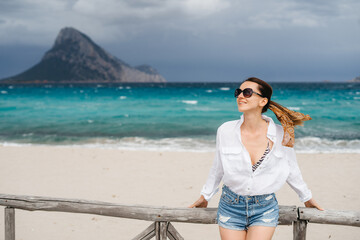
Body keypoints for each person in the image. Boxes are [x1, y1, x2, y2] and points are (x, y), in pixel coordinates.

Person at [188, 77, 323, 240]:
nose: (240, 96)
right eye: (238, 92)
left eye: (247, 92)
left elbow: (291, 168)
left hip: (264, 207)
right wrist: (205, 196)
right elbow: (218, 168)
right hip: (230, 206)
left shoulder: (282, 133)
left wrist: (307, 197)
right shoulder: (225, 130)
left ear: (263, 101)